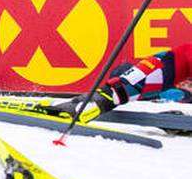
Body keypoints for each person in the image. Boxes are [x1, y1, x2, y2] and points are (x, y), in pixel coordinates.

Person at [52, 43, 192, 122]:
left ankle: (98, 100)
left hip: (177, 65)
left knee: (128, 85)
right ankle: (86, 105)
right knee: (127, 86)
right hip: (177, 62)